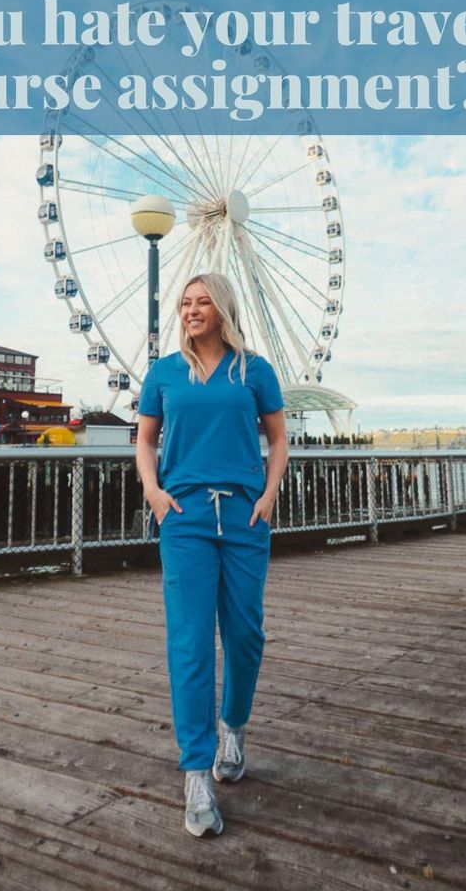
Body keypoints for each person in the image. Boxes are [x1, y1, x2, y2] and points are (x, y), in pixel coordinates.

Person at [136, 272, 288, 838]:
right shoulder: (165, 373)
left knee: (246, 633)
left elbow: (277, 438)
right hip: (185, 517)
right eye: (184, 303)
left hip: (246, 515)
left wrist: (270, 495)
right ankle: (196, 771)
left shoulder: (256, 371)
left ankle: (234, 727)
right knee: (191, 641)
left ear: (222, 309)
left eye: (202, 302)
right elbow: (145, 439)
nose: (191, 310)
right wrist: (154, 493)